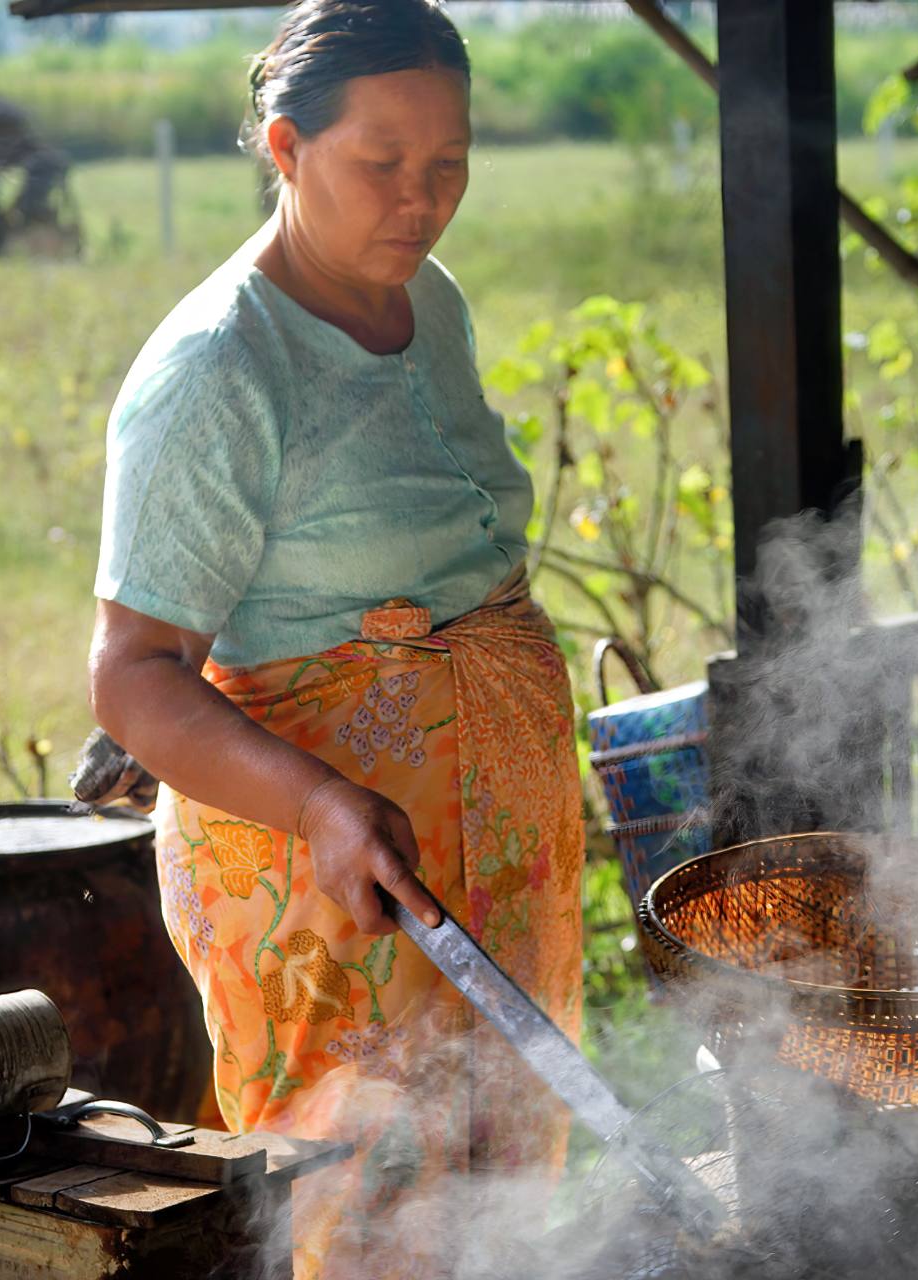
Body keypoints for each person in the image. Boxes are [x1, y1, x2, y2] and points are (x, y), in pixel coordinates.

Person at [84, 2, 584, 1274]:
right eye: (383, 163)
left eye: (450, 164)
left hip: (489, 840)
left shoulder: (428, 300)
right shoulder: (218, 369)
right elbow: (134, 675)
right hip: (332, 876)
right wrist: (320, 804)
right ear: (286, 146)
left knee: (500, 1186)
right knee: (364, 1201)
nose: (422, 200)